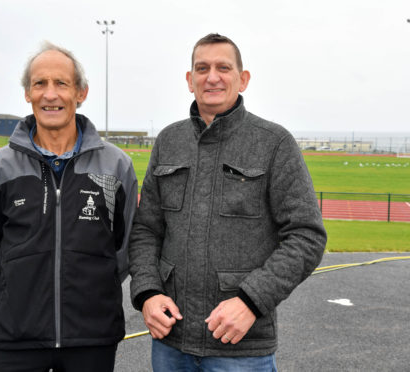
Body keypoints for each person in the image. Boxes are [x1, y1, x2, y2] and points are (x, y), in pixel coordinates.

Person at [129, 33, 327, 371]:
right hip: (171, 344)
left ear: (243, 79)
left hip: (241, 348)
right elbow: (146, 229)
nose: (212, 76)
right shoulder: (168, 141)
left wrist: (251, 301)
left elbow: (307, 235)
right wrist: (147, 293)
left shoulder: (274, 143)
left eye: (224, 67)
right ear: (190, 81)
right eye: (202, 68)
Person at [0, 42, 137, 372]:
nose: (50, 95)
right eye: (40, 84)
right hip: (13, 337)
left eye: (61, 83)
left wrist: (91, 287)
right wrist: (21, 289)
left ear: (81, 93)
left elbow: (125, 249)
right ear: (27, 94)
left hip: (90, 339)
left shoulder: (116, 166)